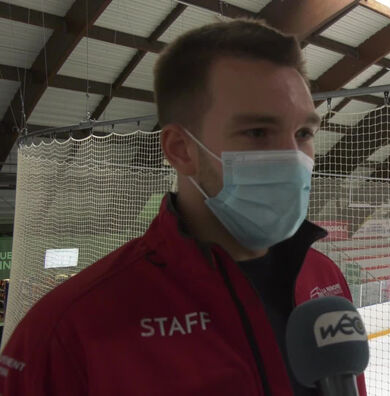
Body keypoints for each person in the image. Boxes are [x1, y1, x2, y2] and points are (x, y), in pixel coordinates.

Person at [0, 19, 366, 395]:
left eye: (304, 133)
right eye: (257, 132)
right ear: (180, 149)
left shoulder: (325, 281)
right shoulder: (66, 332)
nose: (294, 158)